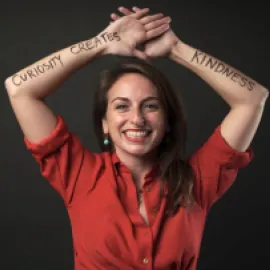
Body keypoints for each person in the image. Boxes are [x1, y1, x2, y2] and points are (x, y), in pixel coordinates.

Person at [5, 5, 268, 270]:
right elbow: (19, 89)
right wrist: (101, 43)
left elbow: (253, 99)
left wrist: (176, 49)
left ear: (167, 121)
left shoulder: (197, 180)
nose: (137, 119)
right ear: (105, 123)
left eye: (151, 106)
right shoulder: (77, 173)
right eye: (122, 106)